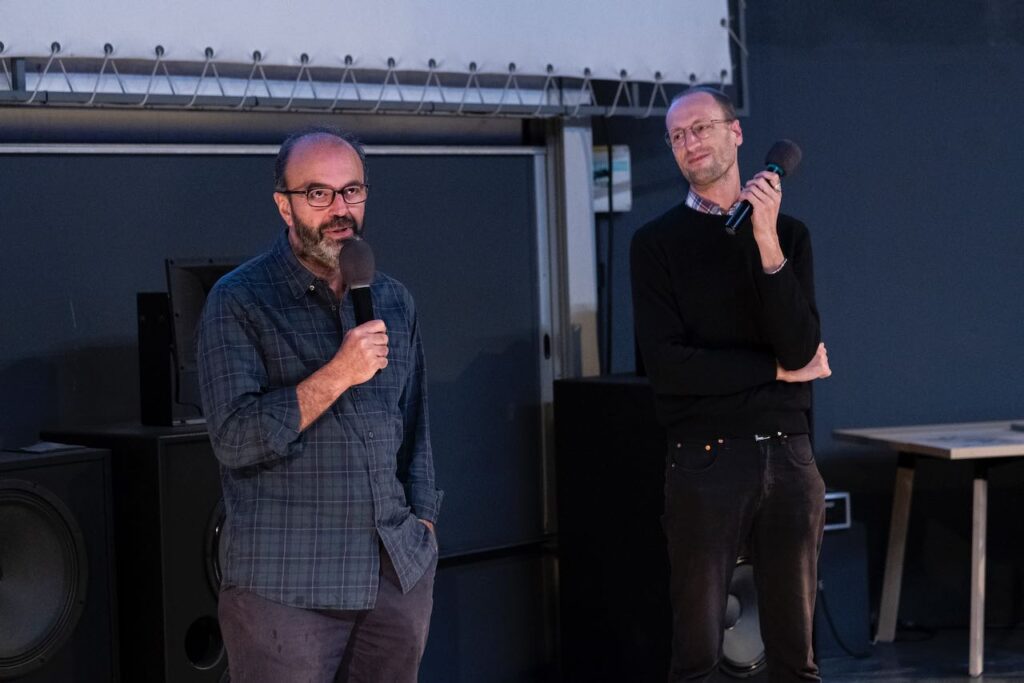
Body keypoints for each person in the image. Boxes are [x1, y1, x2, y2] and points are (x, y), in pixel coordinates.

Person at [197, 127, 442, 683]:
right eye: (318, 193)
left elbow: (416, 430)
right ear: (284, 205)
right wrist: (337, 374)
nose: (340, 209)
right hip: (289, 585)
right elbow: (233, 438)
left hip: (395, 575)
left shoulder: (392, 298)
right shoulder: (239, 300)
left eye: (351, 191)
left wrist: (424, 526)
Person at [629, 86, 832, 682]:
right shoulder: (656, 244)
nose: (690, 142)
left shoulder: (789, 235)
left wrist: (765, 242)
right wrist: (774, 373)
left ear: (735, 132)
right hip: (706, 460)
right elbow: (670, 368)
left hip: (790, 456)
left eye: (701, 128)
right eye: (677, 136)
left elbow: (802, 346)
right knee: (698, 652)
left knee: (796, 655)